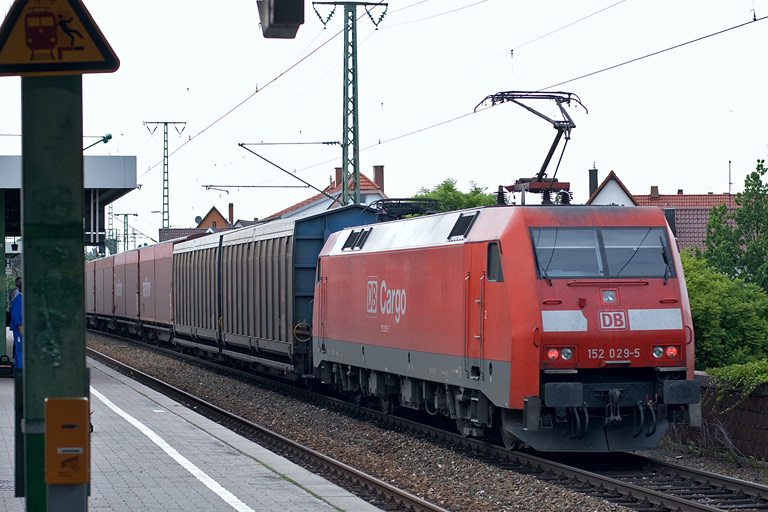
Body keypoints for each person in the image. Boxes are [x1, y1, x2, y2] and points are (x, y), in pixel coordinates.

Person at [9, 279, 22, 368]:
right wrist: (20, 327)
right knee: (21, 351)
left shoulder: (21, 299)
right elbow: (16, 316)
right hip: (20, 330)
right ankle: (21, 370)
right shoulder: (20, 300)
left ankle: (19, 372)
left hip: (20, 329)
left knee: (20, 351)